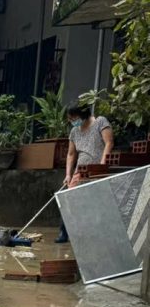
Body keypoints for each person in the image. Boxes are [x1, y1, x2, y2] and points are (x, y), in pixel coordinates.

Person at [56, 103, 114, 243]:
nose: (72, 121)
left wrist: (102, 165)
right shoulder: (74, 132)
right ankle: (64, 233)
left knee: (96, 202)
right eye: (70, 119)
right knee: (69, 200)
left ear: (83, 114)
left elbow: (109, 143)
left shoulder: (100, 122)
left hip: (97, 170)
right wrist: (68, 174)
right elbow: (71, 154)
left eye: (74, 118)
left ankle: (95, 234)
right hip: (80, 171)